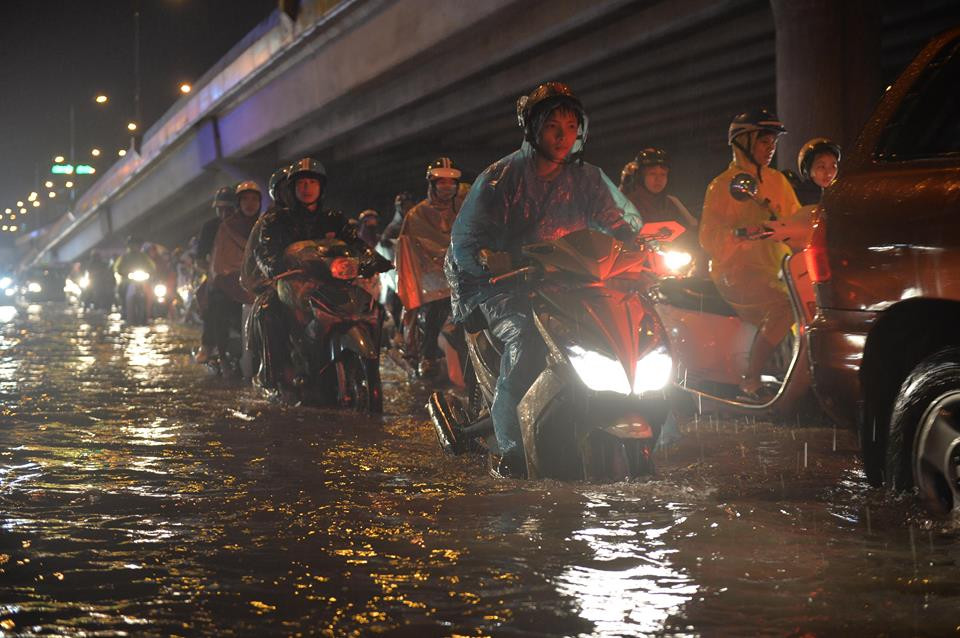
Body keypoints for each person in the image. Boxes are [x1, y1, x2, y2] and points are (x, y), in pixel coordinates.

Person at [445, 82, 641, 477]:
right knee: (527, 339)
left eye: (571, 127)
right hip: (499, 285)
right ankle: (512, 447)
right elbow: (466, 240)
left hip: (566, 279)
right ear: (532, 128)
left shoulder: (588, 179)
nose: (563, 137)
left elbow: (620, 224)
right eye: (554, 126)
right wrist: (489, 261)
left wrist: (637, 244)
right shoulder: (500, 178)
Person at [698, 108, 802, 399]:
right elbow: (708, 238)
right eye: (764, 142)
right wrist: (741, 233)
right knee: (783, 306)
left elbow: (795, 219)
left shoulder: (778, 182)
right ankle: (750, 380)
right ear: (743, 142)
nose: (771, 150)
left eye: (773, 144)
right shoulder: (721, 186)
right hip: (737, 273)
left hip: (777, 270)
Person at [253, 157, 360, 394]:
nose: (307, 188)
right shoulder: (276, 220)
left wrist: (372, 260)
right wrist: (273, 266)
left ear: (321, 187)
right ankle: (276, 373)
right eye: (301, 184)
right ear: (292, 189)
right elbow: (264, 250)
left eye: (312, 182)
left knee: (370, 306)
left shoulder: (334, 218)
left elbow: (356, 245)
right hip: (291, 283)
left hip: (330, 283)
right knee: (267, 310)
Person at [396, 157, 465, 378]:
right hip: (433, 276)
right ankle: (428, 356)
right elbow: (408, 250)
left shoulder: (465, 207)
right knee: (439, 307)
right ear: (432, 184)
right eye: (441, 182)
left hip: (464, 270)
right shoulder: (416, 215)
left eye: (450, 183)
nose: (447, 187)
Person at [202, 180, 262, 365]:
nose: (250, 204)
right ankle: (221, 354)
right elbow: (219, 262)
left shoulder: (266, 225)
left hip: (261, 285)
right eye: (245, 200)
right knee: (217, 305)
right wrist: (230, 281)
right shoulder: (225, 227)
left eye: (254, 199)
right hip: (230, 284)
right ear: (239, 203)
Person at [196, 186, 237, 362]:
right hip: (218, 277)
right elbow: (200, 258)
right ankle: (207, 344)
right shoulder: (210, 227)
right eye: (221, 209)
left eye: (229, 208)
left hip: (241, 277)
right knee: (210, 303)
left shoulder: (243, 225)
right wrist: (212, 272)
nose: (225, 212)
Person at [619, 147, 698, 228]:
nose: (658, 179)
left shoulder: (672, 202)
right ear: (641, 177)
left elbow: (692, 226)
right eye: (652, 173)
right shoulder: (626, 204)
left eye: (663, 174)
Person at [784, 137, 841, 205]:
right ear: (808, 171)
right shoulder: (797, 199)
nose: (829, 173)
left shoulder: (838, 197)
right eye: (822, 167)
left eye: (833, 166)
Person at [113, 236, 157, 318]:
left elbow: (152, 267)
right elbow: (117, 268)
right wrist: (124, 273)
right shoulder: (124, 257)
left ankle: (151, 310)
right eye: (132, 245)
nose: (134, 246)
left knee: (152, 291)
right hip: (128, 280)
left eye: (136, 245)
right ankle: (124, 308)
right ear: (129, 246)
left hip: (142, 280)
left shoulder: (144, 257)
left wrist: (150, 272)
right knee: (122, 289)